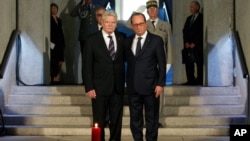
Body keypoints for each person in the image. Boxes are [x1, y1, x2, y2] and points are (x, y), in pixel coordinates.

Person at [84, 10, 125, 141]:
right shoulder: (92, 40)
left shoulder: (122, 38)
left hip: (117, 87)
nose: (110, 25)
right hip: (99, 88)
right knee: (99, 120)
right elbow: (86, 66)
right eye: (107, 22)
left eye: (113, 22)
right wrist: (89, 87)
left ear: (116, 24)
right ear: (102, 22)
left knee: (116, 121)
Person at [124, 12, 166, 141]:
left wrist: (160, 84)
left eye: (141, 24)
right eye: (135, 25)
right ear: (132, 26)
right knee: (135, 120)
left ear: (145, 24)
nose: (138, 27)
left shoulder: (156, 40)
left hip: (151, 87)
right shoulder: (128, 41)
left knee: (152, 119)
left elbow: (162, 64)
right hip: (133, 87)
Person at [71, 0, 99, 84]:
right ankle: (86, 80)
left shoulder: (96, 8)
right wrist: (80, 3)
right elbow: (72, 14)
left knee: (95, 59)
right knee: (85, 60)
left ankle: (94, 80)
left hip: (95, 37)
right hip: (84, 37)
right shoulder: (81, 8)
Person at [182, 1, 203, 85]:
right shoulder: (189, 18)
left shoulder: (201, 18)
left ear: (197, 8)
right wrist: (186, 42)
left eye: (192, 7)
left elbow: (200, 32)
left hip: (197, 45)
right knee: (188, 62)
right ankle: (190, 79)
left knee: (198, 63)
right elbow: (185, 31)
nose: (190, 9)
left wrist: (195, 42)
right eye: (190, 7)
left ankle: (199, 80)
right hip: (188, 45)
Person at [50, 3, 65, 85]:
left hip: (60, 42)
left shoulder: (59, 20)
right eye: (52, 8)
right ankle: (54, 77)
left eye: (55, 8)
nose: (54, 10)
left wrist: (63, 43)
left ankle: (57, 75)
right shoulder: (49, 19)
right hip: (53, 42)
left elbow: (61, 32)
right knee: (54, 60)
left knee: (60, 60)